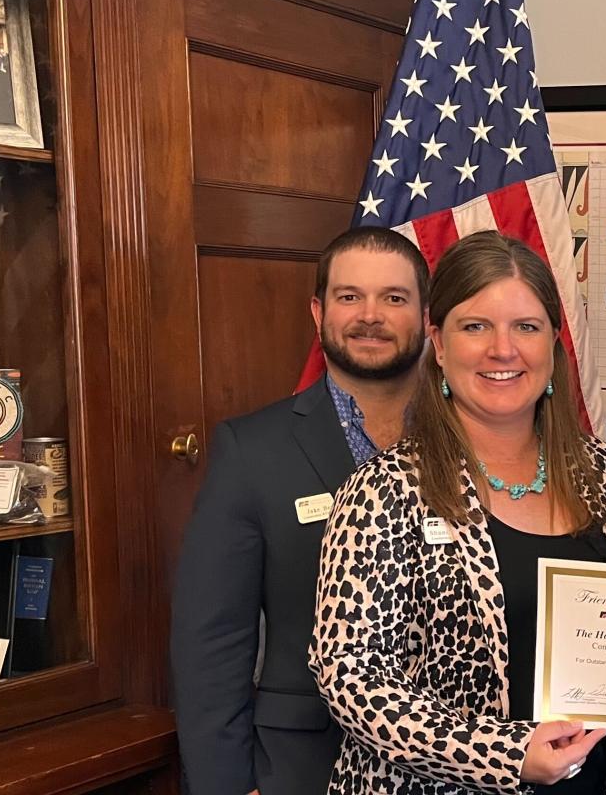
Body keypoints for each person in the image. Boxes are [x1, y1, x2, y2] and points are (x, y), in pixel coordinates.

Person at [309, 231, 606, 794]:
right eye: (475, 326)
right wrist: (507, 755)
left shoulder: (597, 472)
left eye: (526, 327)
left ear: (553, 342)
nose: (503, 349)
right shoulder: (384, 489)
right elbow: (352, 678)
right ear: (439, 343)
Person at [172, 227, 428, 795]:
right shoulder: (251, 450)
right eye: (349, 296)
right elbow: (212, 642)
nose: (370, 315)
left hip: (454, 764)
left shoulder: (474, 440)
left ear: (426, 317)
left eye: (394, 297)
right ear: (318, 313)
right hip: (302, 766)